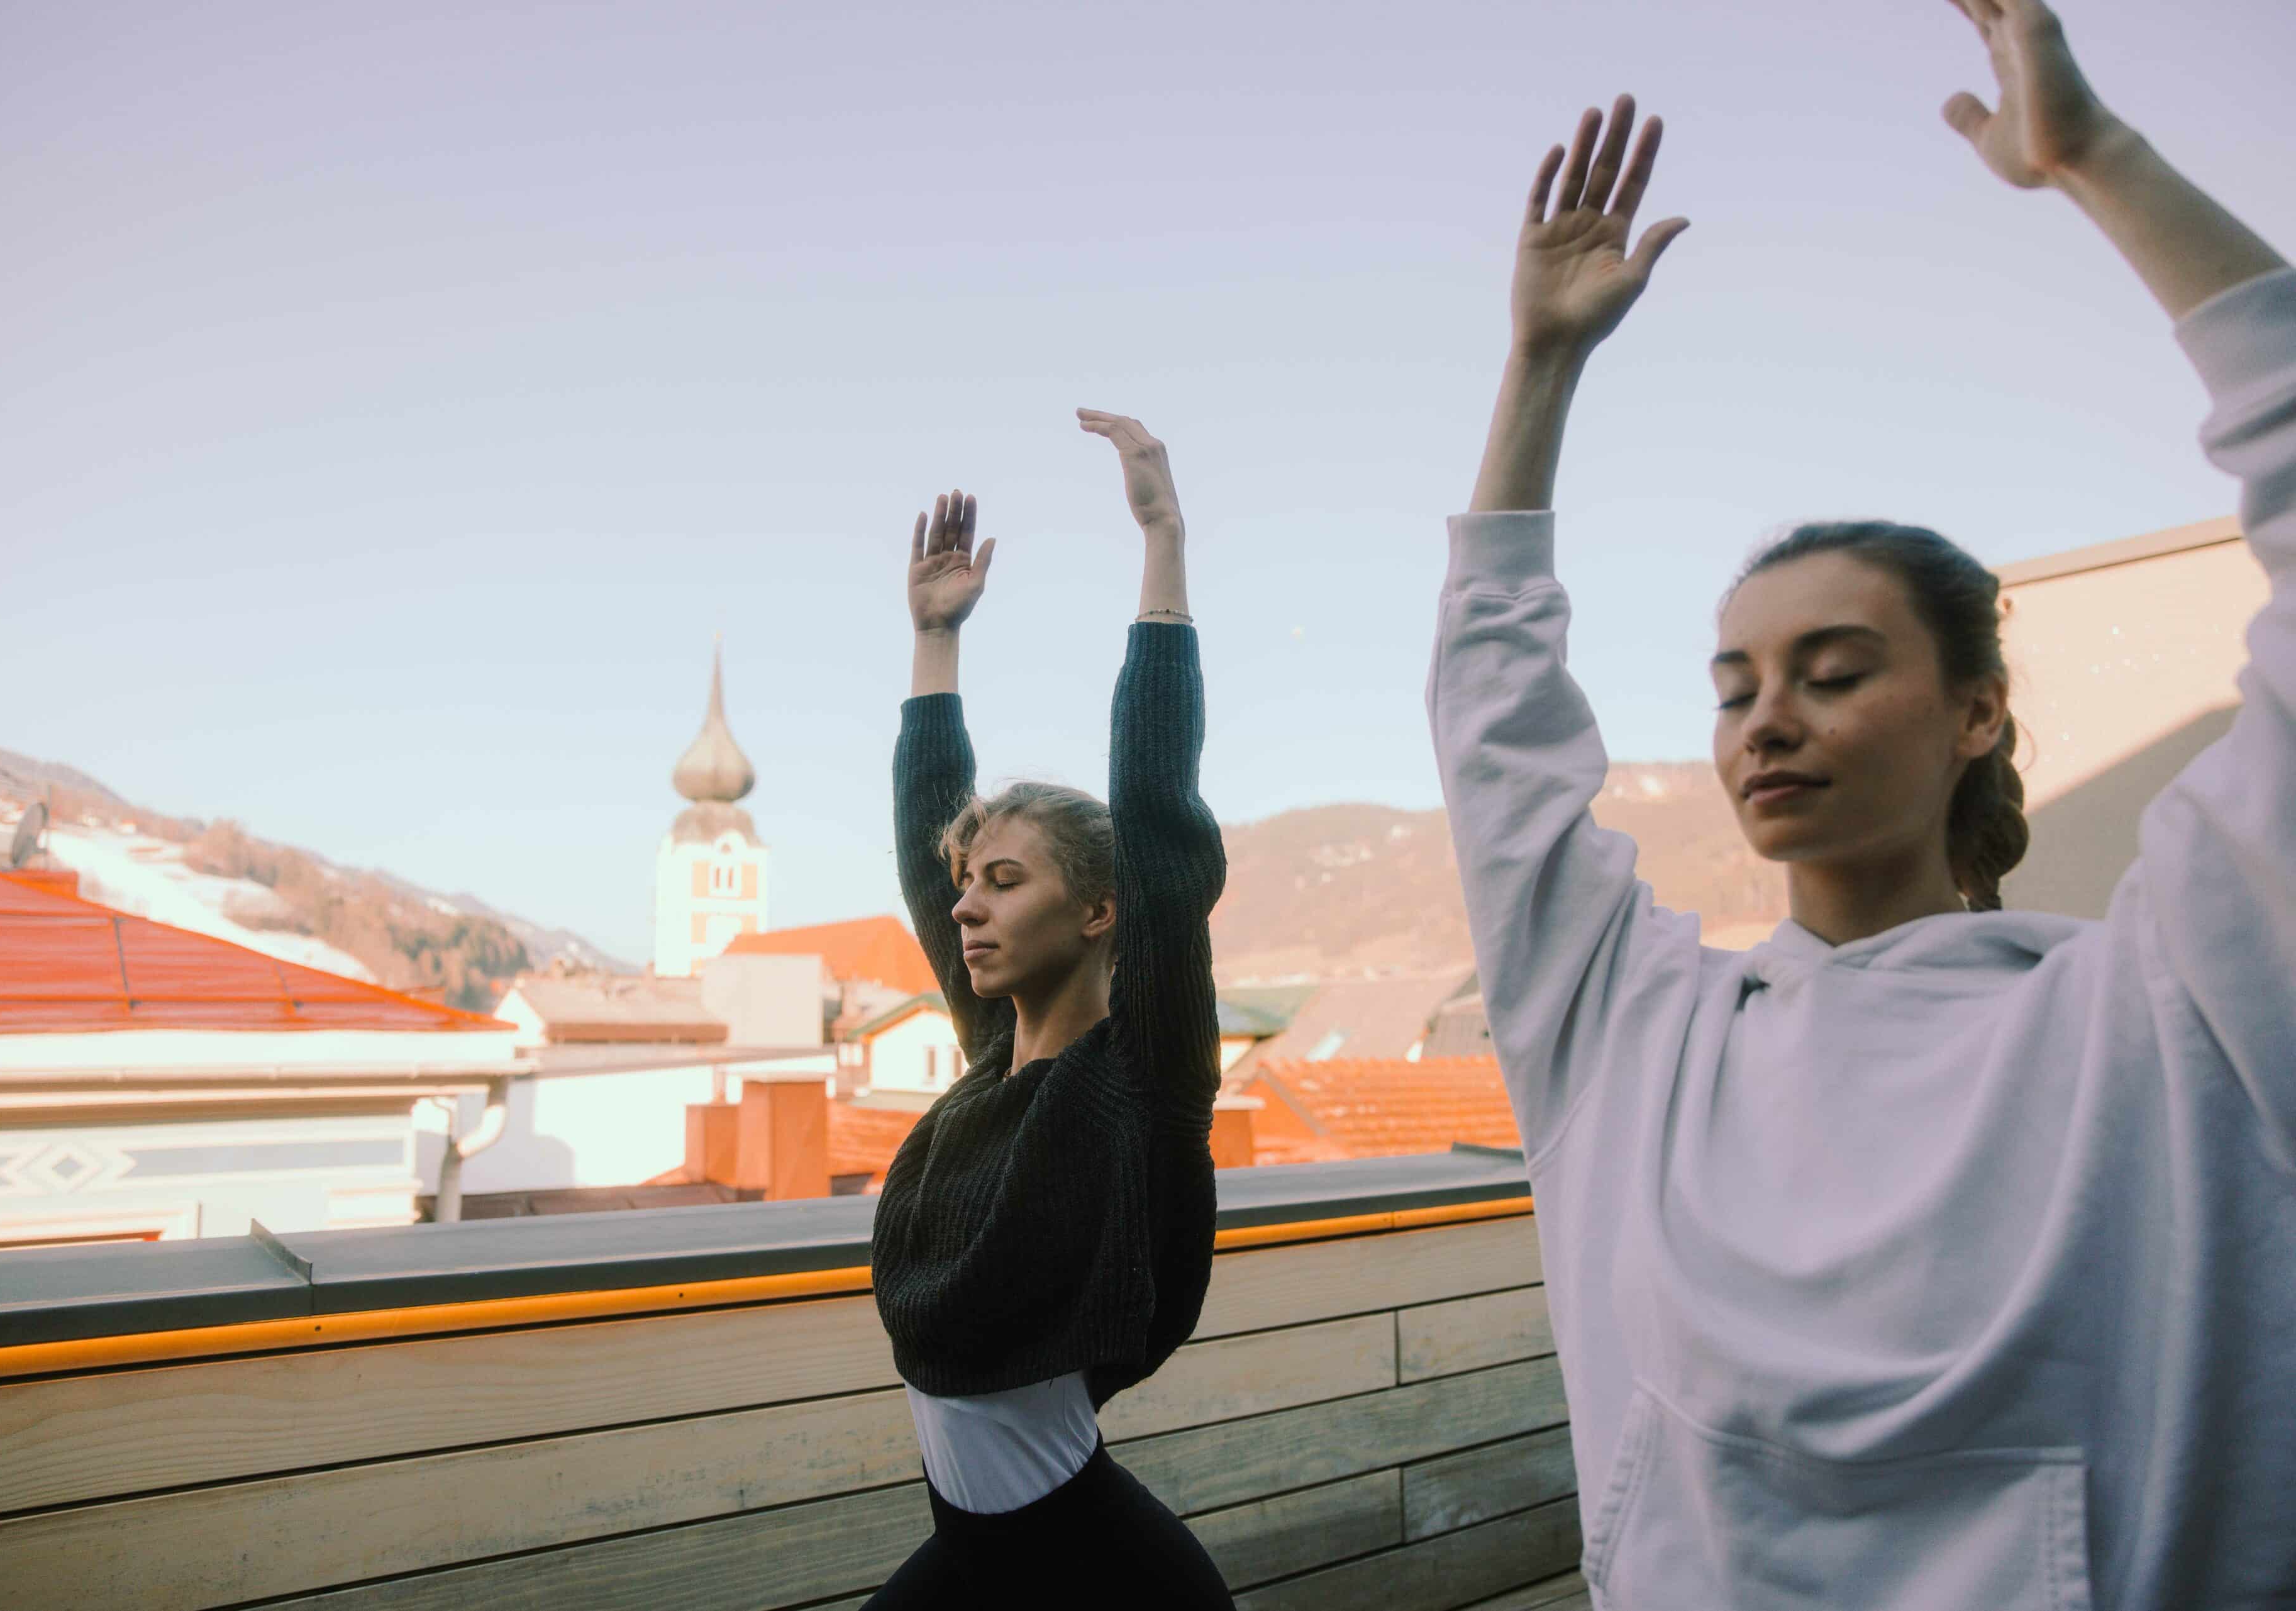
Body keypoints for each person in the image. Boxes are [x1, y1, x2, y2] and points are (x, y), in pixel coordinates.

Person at [1429, 3, 2293, 1607]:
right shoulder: (1636, 1041)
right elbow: (1499, 748)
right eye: (1735, 685)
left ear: (1976, 712)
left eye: (1832, 673)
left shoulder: (2166, 1012)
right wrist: (1539, 367)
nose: (1768, 718)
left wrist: (2102, 162)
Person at [863, 410, 1234, 1607]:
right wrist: (934, 639)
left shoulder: (1140, 1076)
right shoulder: (991, 1059)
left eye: (1007, 880)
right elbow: (927, 841)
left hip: (1093, 1568)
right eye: (970, 881)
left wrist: (1162, 541)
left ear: (1099, 911)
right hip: (973, 1553)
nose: (967, 905)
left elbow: (1158, 815)